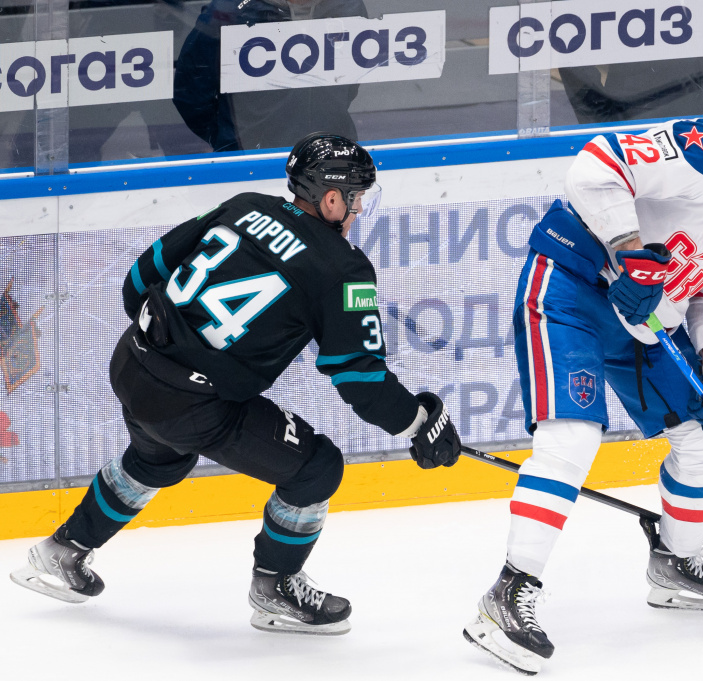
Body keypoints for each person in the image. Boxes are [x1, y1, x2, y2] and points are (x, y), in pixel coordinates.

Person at [10, 132, 462, 636]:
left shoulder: (244, 205)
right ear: (332, 199)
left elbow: (139, 279)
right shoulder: (342, 268)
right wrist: (419, 423)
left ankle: (62, 550)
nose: (358, 210)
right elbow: (362, 381)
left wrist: (165, 346)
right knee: (316, 468)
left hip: (132, 365)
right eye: (356, 198)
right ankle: (276, 589)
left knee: (158, 457)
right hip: (193, 406)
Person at [463, 65, 703, 673]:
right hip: (574, 287)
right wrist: (630, 252)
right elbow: (594, 167)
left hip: (646, 320)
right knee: (572, 437)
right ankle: (508, 592)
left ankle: (675, 564)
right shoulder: (701, 147)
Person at [173, 0, 365, 152]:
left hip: (333, 151)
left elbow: (351, 80)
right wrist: (232, 139)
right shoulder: (229, 10)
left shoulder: (348, 5)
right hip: (255, 161)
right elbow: (190, 91)